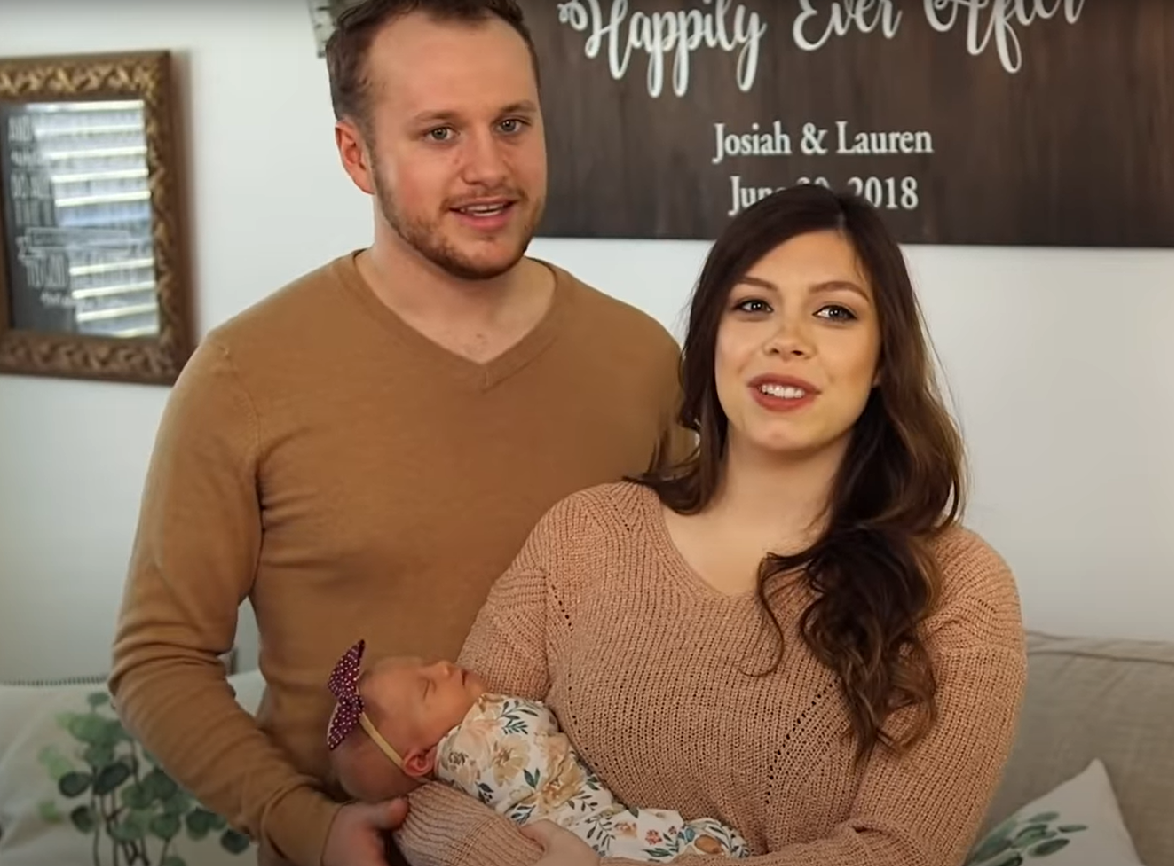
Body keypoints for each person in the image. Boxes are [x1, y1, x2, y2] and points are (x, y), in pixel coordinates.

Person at [106, 2, 691, 866]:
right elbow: (158, 658)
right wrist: (308, 827)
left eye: (512, 123)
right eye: (439, 133)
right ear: (356, 155)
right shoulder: (243, 376)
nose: (488, 168)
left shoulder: (641, 358)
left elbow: (711, 610)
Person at [392, 182, 1029, 866]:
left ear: (882, 361)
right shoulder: (586, 534)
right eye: (753, 306)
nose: (787, 341)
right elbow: (431, 784)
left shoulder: (958, 588)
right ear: (711, 337)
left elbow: (901, 854)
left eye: (836, 313)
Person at [323, 641, 750, 861]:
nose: (445, 666)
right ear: (420, 759)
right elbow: (533, 721)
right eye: (429, 687)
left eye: (428, 663)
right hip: (583, 829)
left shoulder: (448, 774)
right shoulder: (477, 738)